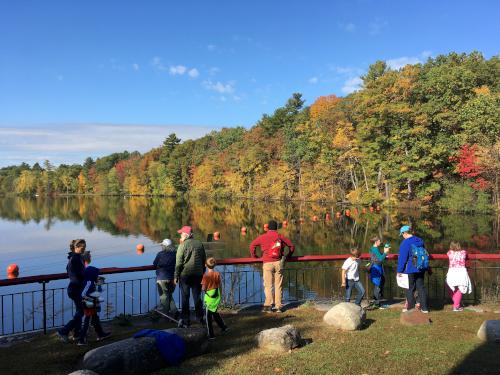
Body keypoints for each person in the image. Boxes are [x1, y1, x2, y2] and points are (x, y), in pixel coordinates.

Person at [249, 220, 295, 313]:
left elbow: (252, 246)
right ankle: (278, 306)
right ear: (276, 228)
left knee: (268, 285)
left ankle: (268, 306)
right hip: (279, 263)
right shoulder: (280, 237)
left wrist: (255, 256)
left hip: (267, 263)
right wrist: (288, 256)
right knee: (278, 285)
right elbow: (291, 246)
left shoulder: (263, 237)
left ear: (268, 228)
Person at [174, 226, 206, 327]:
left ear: (185, 235)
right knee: (197, 297)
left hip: (185, 275)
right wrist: (202, 271)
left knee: (185, 298)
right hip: (198, 275)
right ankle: (200, 318)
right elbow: (203, 259)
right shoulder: (199, 244)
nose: (180, 235)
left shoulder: (182, 246)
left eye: (181, 233)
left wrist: (176, 276)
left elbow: (178, 263)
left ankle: (186, 320)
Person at [78, 251, 111, 345]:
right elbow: (87, 291)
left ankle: (101, 334)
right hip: (89, 300)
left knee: (94, 316)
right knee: (88, 318)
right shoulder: (90, 277)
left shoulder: (85, 276)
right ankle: (81, 339)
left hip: (89, 299)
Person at [57, 239, 86, 342]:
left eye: (84, 247)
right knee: (81, 311)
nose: (83, 248)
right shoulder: (74, 259)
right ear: (75, 247)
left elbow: (71, 271)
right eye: (81, 247)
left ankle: (76, 333)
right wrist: (87, 276)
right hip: (74, 289)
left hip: (77, 289)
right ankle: (64, 331)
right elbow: (78, 274)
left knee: (80, 311)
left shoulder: (78, 258)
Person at [397, 225, 429, 313]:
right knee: (421, 287)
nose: (402, 236)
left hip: (410, 269)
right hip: (420, 268)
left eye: (402, 234)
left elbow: (402, 258)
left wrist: (399, 270)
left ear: (405, 233)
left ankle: (410, 309)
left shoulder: (405, 243)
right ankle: (425, 308)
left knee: (409, 289)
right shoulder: (420, 240)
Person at [202, 257, 228, 339]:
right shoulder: (217, 274)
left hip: (209, 298)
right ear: (215, 265)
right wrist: (220, 292)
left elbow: (203, 288)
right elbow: (219, 285)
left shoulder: (205, 276)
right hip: (216, 295)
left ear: (205, 265)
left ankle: (211, 334)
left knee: (208, 317)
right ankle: (223, 327)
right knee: (215, 312)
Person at [154, 238, 179, 318]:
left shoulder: (160, 254)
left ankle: (166, 315)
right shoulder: (175, 254)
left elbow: (154, 264)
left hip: (161, 278)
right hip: (171, 278)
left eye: (162, 245)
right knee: (168, 295)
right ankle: (175, 311)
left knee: (164, 297)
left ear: (164, 246)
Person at [446, 241, 472, 312]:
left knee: (450, 286)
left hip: (452, 272)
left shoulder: (449, 253)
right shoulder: (463, 252)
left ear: (451, 246)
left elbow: (448, 253)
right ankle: (456, 305)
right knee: (460, 288)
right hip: (461, 272)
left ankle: (456, 304)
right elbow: (465, 255)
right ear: (459, 246)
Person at [369, 237, 390, 308]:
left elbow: (379, 257)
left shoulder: (373, 248)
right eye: (379, 241)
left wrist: (384, 253)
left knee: (380, 283)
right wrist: (385, 252)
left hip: (377, 268)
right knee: (377, 285)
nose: (380, 242)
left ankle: (377, 302)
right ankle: (377, 304)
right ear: (376, 241)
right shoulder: (374, 249)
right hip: (376, 268)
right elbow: (380, 259)